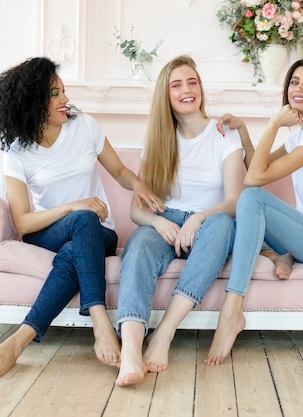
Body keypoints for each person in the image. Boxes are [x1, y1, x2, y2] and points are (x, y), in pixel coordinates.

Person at [0, 57, 163, 377]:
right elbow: (22, 222)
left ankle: (18, 342)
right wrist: (70, 206)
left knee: (80, 235)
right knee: (81, 217)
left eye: (64, 91)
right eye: (55, 93)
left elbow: (118, 171)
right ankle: (102, 322)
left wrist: (139, 185)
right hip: (47, 232)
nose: (65, 100)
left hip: (97, 233)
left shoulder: (85, 126)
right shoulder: (17, 151)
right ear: (33, 102)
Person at [205, 58, 303, 366]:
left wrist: (273, 124)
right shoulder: (301, 136)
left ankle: (232, 308)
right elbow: (256, 166)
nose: (299, 88)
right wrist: (243, 132)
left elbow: (253, 181)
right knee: (240, 216)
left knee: (251, 198)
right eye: (294, 82)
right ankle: (283, 256)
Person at [115, 55, 246, 386]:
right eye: (177, 85)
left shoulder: (223, 135)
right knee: (141, 242)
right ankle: (130, 348)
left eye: (193, 82)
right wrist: (160, 223)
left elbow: (234, 202)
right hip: (167, 222)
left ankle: (164, 334)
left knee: (222, 226)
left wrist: (199, 217)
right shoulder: (160, 140)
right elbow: (137, 209)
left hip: (211, 222)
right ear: (166, 94)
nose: (187, 90)